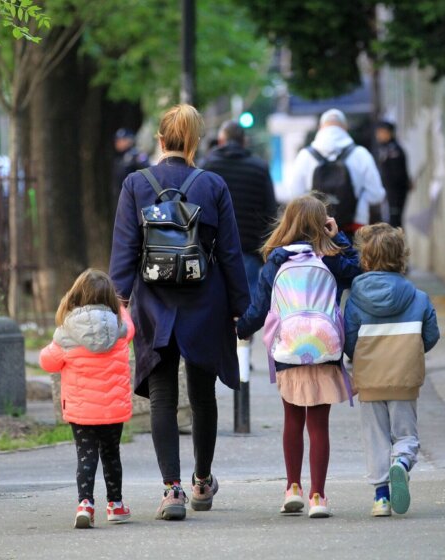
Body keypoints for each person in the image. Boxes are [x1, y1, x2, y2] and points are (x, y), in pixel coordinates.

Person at [109, 104, 250, 521]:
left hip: (154, 303)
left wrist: (119, 302)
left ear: (160, 140)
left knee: (162, 397)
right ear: (194, 142)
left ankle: (172, 491)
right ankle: (202, 481)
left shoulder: (136, 184)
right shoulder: (213, 185)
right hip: (205, 301)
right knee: (203, 396)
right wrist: (241, 309)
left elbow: (125, 250)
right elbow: (230, 252)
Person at [235, 195, 361, 519]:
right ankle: (318, 496)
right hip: (324, 348)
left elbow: (259, 308)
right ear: (322, 224)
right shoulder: (331, 258)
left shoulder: (276, 261)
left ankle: (293, 488)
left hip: (288, 348)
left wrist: (240, 329)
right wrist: (339, 237)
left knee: (292, 420)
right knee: (319, 425)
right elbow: (358, 270)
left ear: (287, 222)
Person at [343, 223, 439, 517]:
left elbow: (349, 339)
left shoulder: (356, 298)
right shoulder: (418, 297)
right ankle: (402, 462)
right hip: (404, 377)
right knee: (406, 434)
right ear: (401, 257)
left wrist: (358, 359)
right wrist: (410, 352)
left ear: (365, 259)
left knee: (375, 437)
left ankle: (381, 498)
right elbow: (431, 335)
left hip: (370, 378)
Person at [38, 269, 135, 529]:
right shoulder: (120, 329)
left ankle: (85, 505)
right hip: (113, 410)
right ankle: (115, 505)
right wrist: (121, 308)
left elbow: (47, 362)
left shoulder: (67, 333)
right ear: (111, 299)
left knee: (86, 456)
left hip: (82, 411)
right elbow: (132, 327)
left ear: (76, 296)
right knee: (111, 455)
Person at [201, 120, 278, 301]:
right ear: (244, 141)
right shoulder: (259, 168)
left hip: (215, 250)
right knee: (248, 303)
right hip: (249, 248)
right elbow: (271, 211)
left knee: (218, 302)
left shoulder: (207, 167)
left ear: (221, 141)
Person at [280, 109, 386, 234]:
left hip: (316, 229)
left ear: (320, 128)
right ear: (345, 128)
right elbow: (376, 195)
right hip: (353, 228)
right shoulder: (361, 154)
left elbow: (295, 195)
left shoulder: (305, 156)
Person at [374, 122, 412, 229]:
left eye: (380, 132)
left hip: (395, 192)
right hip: (389, 192)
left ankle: (396, 240)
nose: (378, 136)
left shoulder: (393, 150)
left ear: (388, 133)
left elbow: (398, 175)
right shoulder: (385, 149)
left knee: (395, 221)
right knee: (392, 220)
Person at [112, 128, 148, 213]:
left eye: (122, 140)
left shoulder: (137, 156)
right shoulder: (119, 158)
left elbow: (147, 172)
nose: (118, 143)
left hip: (134, 198)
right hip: (121, 196)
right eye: (117, 140)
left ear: (130, 140)